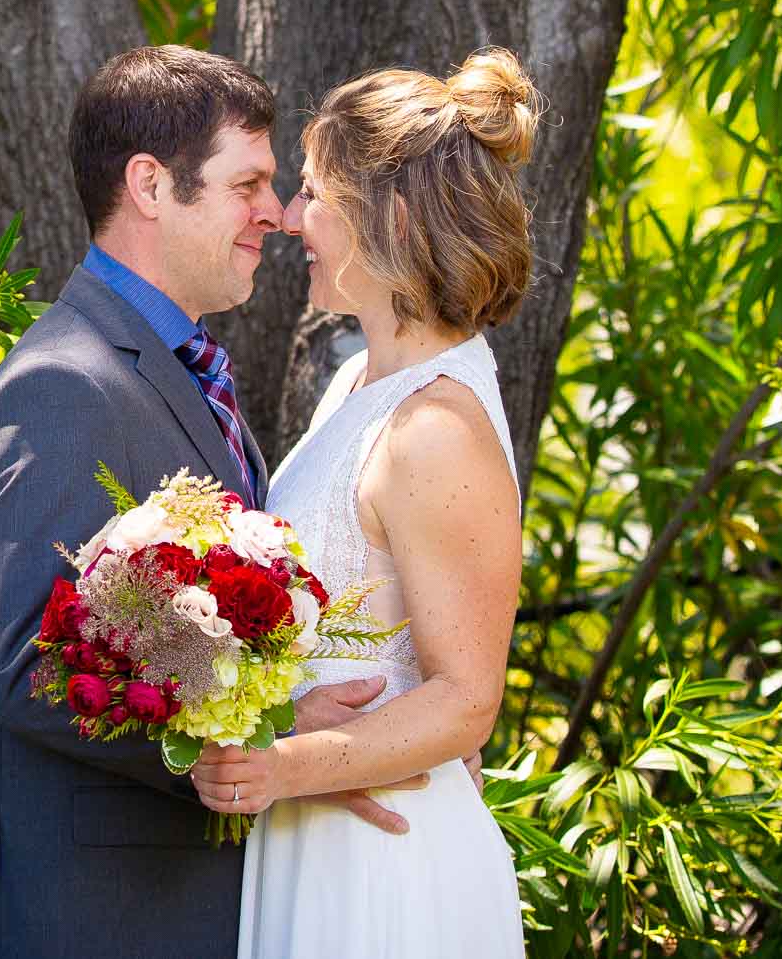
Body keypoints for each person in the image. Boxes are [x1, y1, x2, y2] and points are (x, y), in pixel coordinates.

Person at [0, 45, 428, 959]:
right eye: (247, 182)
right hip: (101, 914)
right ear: (150, 184)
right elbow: (27, 666)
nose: (278, 214)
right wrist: (270, 738)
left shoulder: (183, 367)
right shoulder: (64, 384)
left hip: (190, 900)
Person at [193, 50, 537, 959]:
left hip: (387, 860)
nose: (293, 219)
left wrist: (279, 765)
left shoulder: (435, 425)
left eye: (313, 193)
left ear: (386, 214)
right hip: (316, 832)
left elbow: (466, 700)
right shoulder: (357, 381)